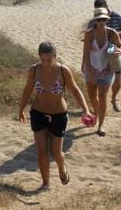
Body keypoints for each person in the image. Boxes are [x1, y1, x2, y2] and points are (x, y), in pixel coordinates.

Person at [18, 42, 92, 191]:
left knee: (56, 153)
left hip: (59, 115)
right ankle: (45, 183)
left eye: (49, 60)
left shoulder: (63, 71)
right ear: (39, 57)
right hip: (38, 113)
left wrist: (86, 110)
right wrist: (21, 110)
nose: (45, 63)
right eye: (43, 60)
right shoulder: (34, 70)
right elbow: (27, 90)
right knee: (41, 151)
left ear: (55, 57)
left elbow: (75, 91)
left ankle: (61, 168)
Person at [83, 8, 121, 136]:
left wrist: (120, 50)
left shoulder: (112, 33)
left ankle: (100, 126)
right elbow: (85, 54)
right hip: (91, 68)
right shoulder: (89, 34)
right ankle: (97, 113)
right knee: (92, 96)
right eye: (99, 19)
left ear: (107, 20)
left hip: (107, 70)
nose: (102, 22)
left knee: (102, 96)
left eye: (104, 19)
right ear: (95, 20)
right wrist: (89, 71)